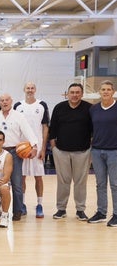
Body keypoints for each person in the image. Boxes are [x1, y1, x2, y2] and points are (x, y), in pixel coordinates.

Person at [0, 94, 38, 221]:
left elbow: (28, 131)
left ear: (11, 101)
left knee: (17, 184)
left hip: (14, 153)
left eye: (7, 100)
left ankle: (17, 211)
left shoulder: (19, 116)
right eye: (2, 100)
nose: (5, 102)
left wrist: (34, 146)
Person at [48, 83, 92, 221]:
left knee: (80, 182)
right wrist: (53, 147)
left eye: (77, 92)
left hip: (83, 151)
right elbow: (52, 128)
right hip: (61, 151)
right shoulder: (59, 107)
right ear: (67, 94)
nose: (74, 95)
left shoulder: (89, 108)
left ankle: (80, 210)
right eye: (72, 92)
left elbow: (94, 129)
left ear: (82, 94)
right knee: (63, 181)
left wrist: (91, 144)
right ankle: (61, 209)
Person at [14, 82, 50, 218]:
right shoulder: (18, 105)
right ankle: (22, 204)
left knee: (38, 177)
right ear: (24, 90)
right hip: (22, 147)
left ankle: (39, 204)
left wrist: (43, 148)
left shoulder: (42, 105)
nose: (30, 90)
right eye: (27, 88)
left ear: (35, 90)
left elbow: (45, 127)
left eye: (32, 88)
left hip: (37, 147)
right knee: (21, 177)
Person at [88, 80, 117, 227]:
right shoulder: (94, 109)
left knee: (115, 184)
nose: (105, 92)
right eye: (103, 89)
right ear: (99, 92)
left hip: (114, 152)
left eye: (108, 89)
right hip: (97, 151)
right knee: (100, 184)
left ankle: (116, 214)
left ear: (113, 92)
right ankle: (101, 212)